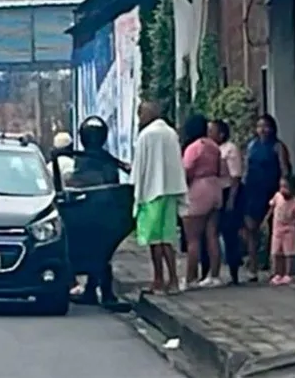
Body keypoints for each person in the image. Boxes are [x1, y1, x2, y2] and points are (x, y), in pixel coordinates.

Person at [67, 116, 131, 312]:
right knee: (102, 254)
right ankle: (98, 291)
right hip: (104, 215)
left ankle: (97, 291)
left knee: (99, 254)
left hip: (86, 214)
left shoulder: (83, 159)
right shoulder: (104, 159)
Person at [132, 101, 188, 295]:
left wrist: (136, 192)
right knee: (167, 238)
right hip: (170, 191)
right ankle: (173, 279)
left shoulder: (146, 135)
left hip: (150, 192)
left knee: (154, 240)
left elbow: (139, 167)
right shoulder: (171, 133)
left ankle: (158, 280)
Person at [243, 114, 292, 280]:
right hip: (253, 190)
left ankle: (275, 267)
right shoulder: (251, 145)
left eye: (266, 126)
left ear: (272, 128)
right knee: (251, 227)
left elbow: (284, 168)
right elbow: (246, 167)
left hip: (271, 190)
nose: (262, 130)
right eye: (259, 126)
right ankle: (253, 265)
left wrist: (283, 188)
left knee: (275, 229)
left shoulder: (277, 147)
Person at [180, 114, 224, 289]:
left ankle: (191, 278)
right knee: (212, 235)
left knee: (193, 238)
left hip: (198, 189)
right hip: (215, 187)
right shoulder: (214, 146)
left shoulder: (193, 148)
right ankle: (214, 275)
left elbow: (187, 169)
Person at [210, 119, 245, 285]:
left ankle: (234, 271)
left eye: (212, 131)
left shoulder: (230, 150)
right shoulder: (212, 148)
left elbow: (235, 177)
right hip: (216, 193)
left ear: (221, 134)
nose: (209, 134)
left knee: (230, 232)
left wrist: (231, 200)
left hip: (229, 192)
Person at [266, 177, 295, 285]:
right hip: (277, 229)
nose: (283, 190)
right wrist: (266, 219)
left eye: (286, 187)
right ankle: (278, 273)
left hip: (289, 230)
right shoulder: (277, 196)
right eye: (281, 186)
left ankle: (288, 274)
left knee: (288, 253)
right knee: (277, 252)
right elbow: (271, 208)